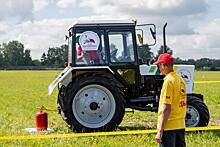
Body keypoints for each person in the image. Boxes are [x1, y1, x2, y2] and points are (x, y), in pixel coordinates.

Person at [154, 53, 187, 147]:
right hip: (180, 125)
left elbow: (166, 108)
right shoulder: (180, 79)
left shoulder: (168, 81)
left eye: (159, 65)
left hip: (169, 126)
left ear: (164, 65)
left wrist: (160, 131)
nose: (159, 68)